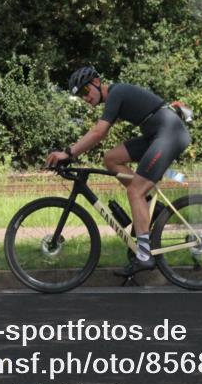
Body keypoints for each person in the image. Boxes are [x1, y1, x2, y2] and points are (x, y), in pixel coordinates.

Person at [46, 67, 191, 276]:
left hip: (169, 134)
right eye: (81, 95)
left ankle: (144, 255)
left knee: (134, 192)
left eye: (86, 91)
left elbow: (98, 132)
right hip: (157, 135)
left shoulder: (117, 92)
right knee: (111, 159)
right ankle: (150, 205)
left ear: (97, 81)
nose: (85, 98)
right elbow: (100, 135)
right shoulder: (115, 96)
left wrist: (69, 153)